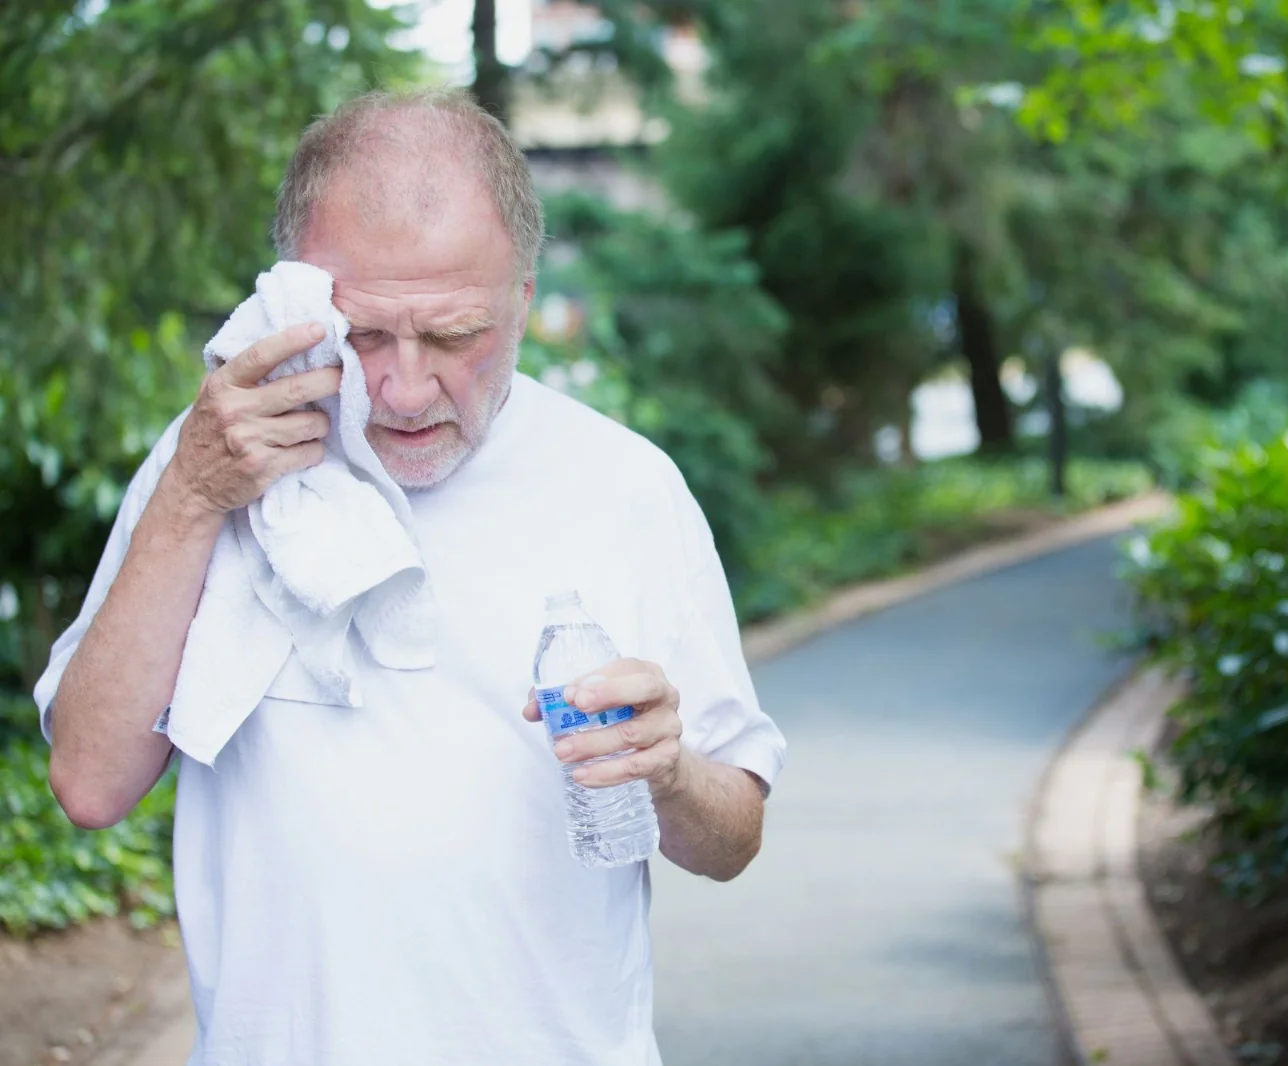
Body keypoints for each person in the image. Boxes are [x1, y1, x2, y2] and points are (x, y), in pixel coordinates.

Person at [33, 88, 785, 1065]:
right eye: (363, 336)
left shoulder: (625, 487)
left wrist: (669, 772)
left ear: (523, 299)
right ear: (296, 299)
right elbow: (89, 784)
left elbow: (732, 841)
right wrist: (191, 496)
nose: (403, 388)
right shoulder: (217, 458)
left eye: (452, 335)